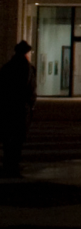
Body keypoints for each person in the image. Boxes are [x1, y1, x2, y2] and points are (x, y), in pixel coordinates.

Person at [0, 41, 38, 178]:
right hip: (21, 109)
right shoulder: (28, 69)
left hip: (7, 108)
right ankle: (13, 165)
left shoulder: (7, 67)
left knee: (8, 139)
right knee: (17, 139)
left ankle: (8, 164)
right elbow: (30, 91)